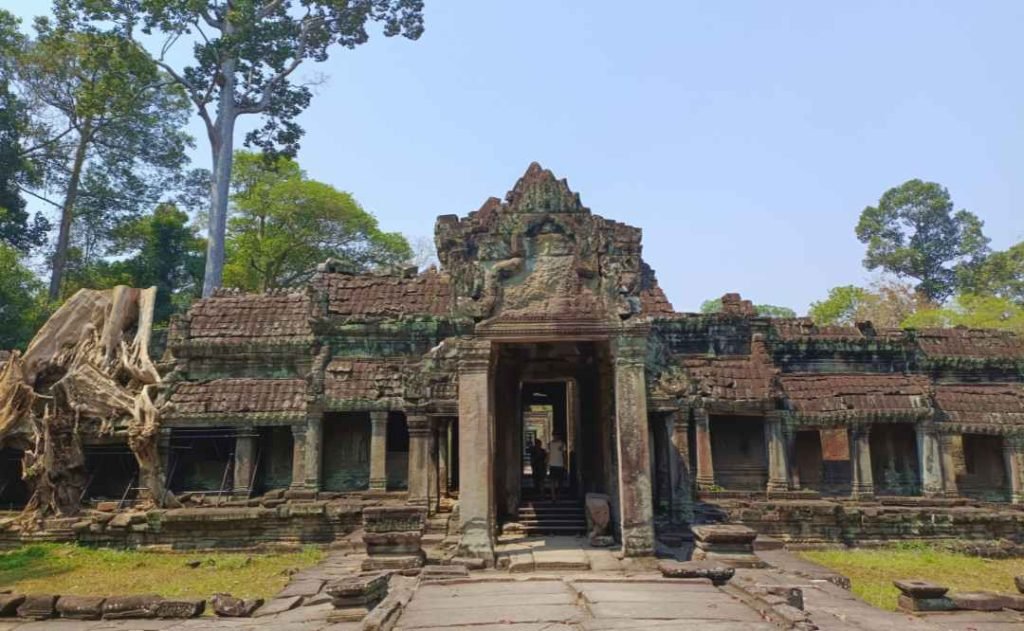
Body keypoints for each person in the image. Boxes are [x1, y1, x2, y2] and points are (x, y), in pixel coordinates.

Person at [547, 433, 566, 501]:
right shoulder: (549, 444)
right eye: (555, 435)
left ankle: (557, 495)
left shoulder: (562, 444)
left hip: (560, 464)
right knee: (553, 481)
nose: (556, 436)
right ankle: (553, 496)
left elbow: (564, 454)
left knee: (560, 482)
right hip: (553, 464)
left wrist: (565, 463)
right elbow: (548, 454)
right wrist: (547, 463)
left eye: (557, 435)